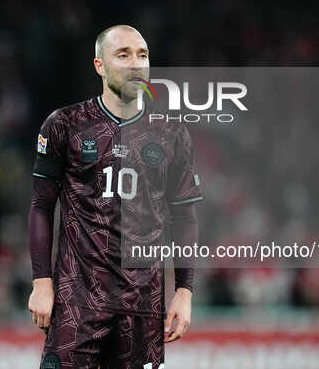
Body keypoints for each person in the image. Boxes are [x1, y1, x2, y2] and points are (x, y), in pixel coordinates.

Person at [27, 25, 202, 368]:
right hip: (76, 303)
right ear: (100, 65)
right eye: (123, 55)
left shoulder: (172, 134)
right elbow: (41, 206)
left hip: (143, 306)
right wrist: (41, 282)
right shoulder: (65, 124)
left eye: (142, 55)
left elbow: (184, 217)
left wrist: (184, 290)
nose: (135, 64)